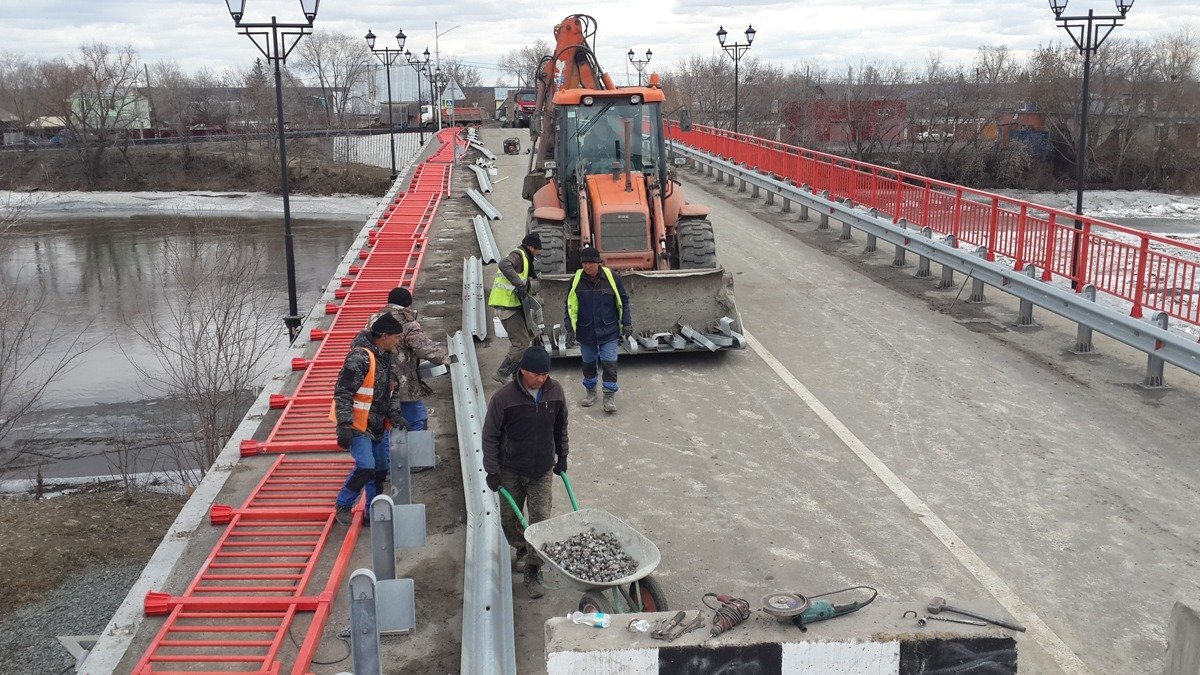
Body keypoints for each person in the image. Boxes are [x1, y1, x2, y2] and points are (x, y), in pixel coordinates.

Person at [482, 346, 568, 599]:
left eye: (545, 374)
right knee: (509, 519)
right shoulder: (503, 398)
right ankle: (521, 548)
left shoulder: (555, 392)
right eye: (536, 374)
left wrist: (562, 456)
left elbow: (560, 427)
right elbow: (490, 436)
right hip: (510, 469)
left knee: (540, 519)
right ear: (523, 371)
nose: (541, 379)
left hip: (540, 469)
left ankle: (533, 568)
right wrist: (492, 470)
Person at [330, 313, 407, 526]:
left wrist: (395, 413)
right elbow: (343, 392)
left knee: (380, 469)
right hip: (356, 423)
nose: (398, 341)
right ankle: (343, 504)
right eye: (396, 337)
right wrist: (344, 424)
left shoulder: (387, 357)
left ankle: (372, 511)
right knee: (366, 466)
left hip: (376, 424)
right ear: (384, 335)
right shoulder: (359, 358)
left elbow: (392, 390)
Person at [366, 287, 449, 434]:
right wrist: (445, 357)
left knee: (386, 422)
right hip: (403, 384)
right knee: (418, 419)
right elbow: (424, 348)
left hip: (378, 381)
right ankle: (419, 453)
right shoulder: (407, 322)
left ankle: (390, 454)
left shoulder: (374, 319)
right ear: (408, 304)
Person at [564, 246, 631, 413]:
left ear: (598, 263)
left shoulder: (612, 277)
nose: (587, 267)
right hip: (585, 332)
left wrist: (627, 323)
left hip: (608, 331)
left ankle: (608, 397)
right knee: (588, 365)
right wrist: (569, 329)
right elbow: (569, 305)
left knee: (609, 364)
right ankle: (591, 393)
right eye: (584, 263)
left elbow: (624, 300)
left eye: (590, 263)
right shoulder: (576, 280)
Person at [489, 232, 542, 383]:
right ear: (531, 247)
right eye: (538, 250)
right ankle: (502, 373)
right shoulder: (518, 255)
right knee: (522, 344)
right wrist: (519, 283)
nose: (538, 253)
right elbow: (503, 264)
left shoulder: (525, 257)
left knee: (526, 339)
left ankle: (516, 375)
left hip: (513, 306)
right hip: (507, 306)